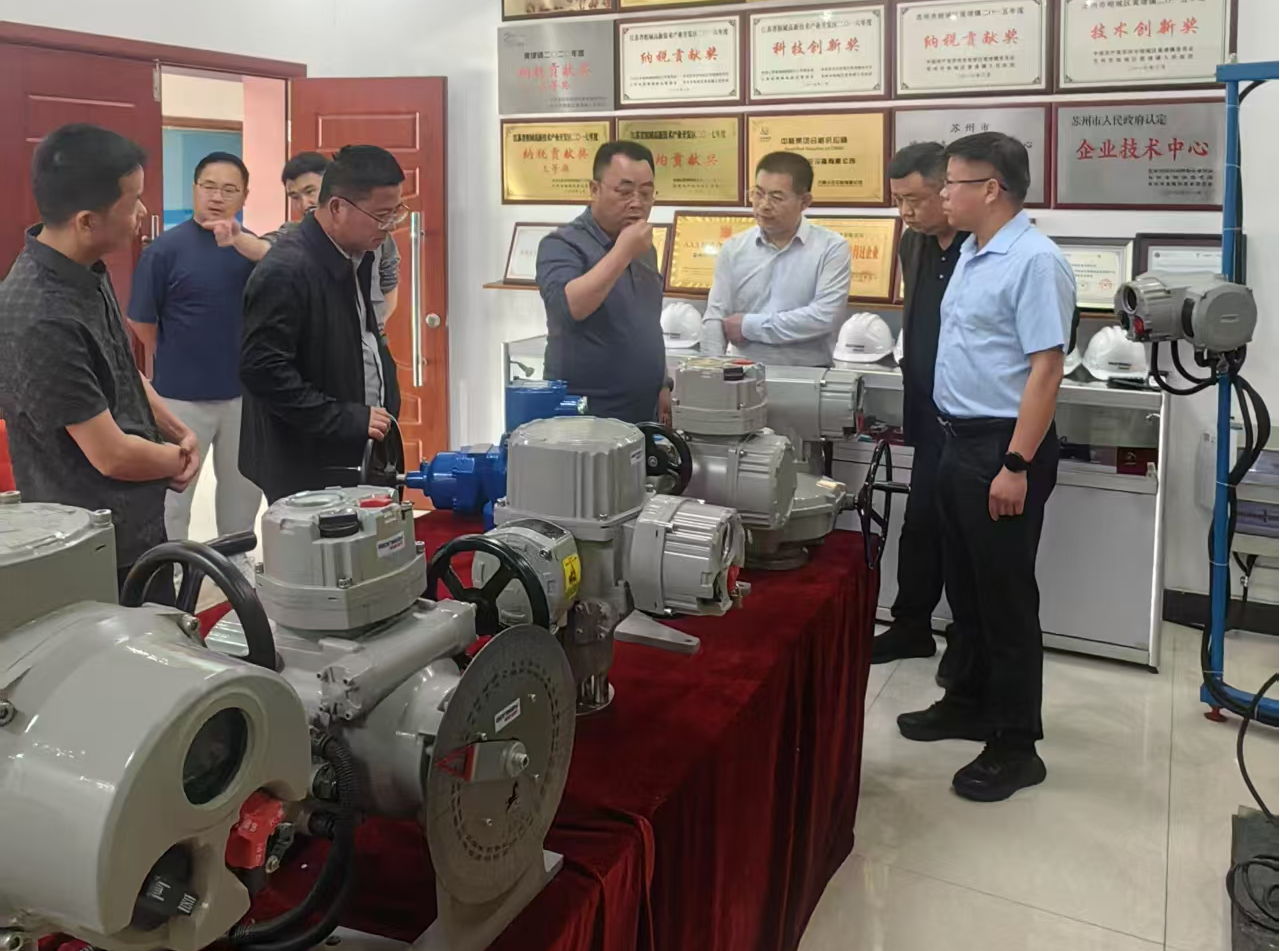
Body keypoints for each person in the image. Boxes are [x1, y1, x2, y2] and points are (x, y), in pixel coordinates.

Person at [895, 132, 1075, 803]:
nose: (943, 194)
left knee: (1004, 598)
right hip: (954, 439)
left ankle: (1015, 743)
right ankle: (968, 700)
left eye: (953, 184)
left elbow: (1046, 370)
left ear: (991, 188)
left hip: (1002, 448)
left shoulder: (1034, 261)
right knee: (965, 587)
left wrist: (1016, 464)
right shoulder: (972, 252)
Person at [0, 123, 199, 601]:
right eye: (133, 202)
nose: (143, 212)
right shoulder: (41, 315)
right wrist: (178, 459)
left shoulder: (85, 267)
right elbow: (111, 454)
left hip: (136, 525)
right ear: (87, 220)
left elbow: (121, 368)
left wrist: (179, 432)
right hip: (90, 544)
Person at [239, 145, 405, 504]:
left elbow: (362, 338)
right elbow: (264, 372)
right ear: (337, 208)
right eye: (381, 215)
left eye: (396, 213)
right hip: (307, 464)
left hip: (358, 446)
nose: (390, 226)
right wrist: (344, 418)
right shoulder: (286, 270)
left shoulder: (359, 253)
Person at [127, 152, 262, 564]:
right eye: (209, 186)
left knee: (242, 492)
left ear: (244, 196)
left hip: (244, 396)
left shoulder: (252, 249)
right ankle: (170, 574)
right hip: (180, 398)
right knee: (174, 496)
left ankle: (236, 571)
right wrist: (177, 355)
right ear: (194, 189)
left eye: (229, 189)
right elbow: (141, 320)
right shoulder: (164, 250)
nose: (217, 197)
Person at [871, 142, 967, 665]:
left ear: (946, 189)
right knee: (921, 520)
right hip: (927, 411)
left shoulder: (983, 244)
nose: (905, 212)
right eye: (898, 200)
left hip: (973, 418)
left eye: (915, 199)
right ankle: (911, 626)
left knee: (967, 531)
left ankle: (967, 643)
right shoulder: (914, 242)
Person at [536, 140, 671, 425]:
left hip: (642, 412)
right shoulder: (562, 244)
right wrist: (623, 252)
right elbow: (570, 307)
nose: (637, 203)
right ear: (594, 189)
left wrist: (662, 383)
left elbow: (647, 321)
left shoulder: (643, 247)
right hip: (585, 416)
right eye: (624, 192)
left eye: (646, 193)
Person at [701, 152, 852, 366]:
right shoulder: (734, 248)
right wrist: (712, 370)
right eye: (758, 194)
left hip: (809, 375)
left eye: (776, 197)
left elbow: (823, 317)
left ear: (804, 201)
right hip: (742, 373)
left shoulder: (831, 248)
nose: (763, 205)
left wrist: (747, 326)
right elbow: (715, 317)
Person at [272, 152, 401, 329]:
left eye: (310, 191)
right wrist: (238, 238)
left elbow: (389, 281)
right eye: (295, 197)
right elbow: (265, 247)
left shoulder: (374, 231)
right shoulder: (294, 233)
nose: (304, 204)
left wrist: (373, 329)